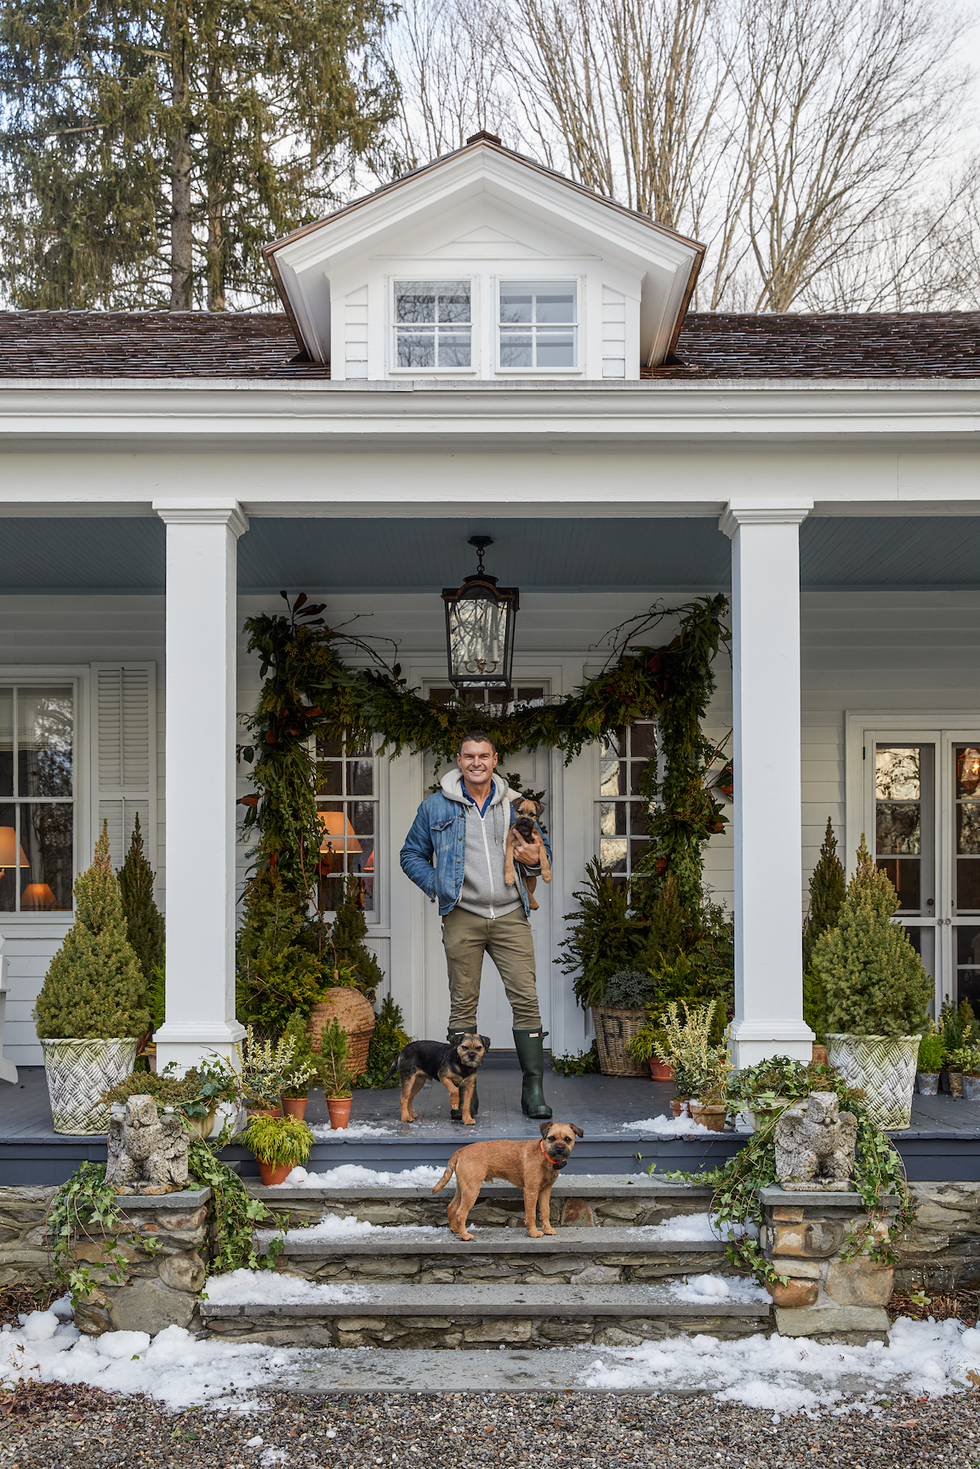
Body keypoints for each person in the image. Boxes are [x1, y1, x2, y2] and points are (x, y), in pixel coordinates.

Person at [399, 729, 553, 1120]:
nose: (476, 763)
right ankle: (467, 1089)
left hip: (510, 913)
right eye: (469, 756)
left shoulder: (514, 805)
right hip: (462, 915)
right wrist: (439, 885)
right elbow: (411, 854)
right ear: (459, 760)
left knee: (526, 1000)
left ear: (495, 759)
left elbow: (539, 852)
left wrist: (536, 859)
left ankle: (533, 1090)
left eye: (483, 756)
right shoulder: (436, 806)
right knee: (463, 1002)